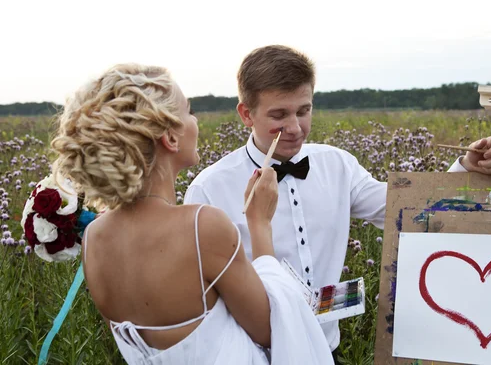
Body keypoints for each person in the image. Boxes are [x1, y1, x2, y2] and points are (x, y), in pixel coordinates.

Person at [184, 45, 491, 361]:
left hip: (326, 350)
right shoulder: (208, 189)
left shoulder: (338, 165)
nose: (296, 128)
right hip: (253, 356)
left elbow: (405, 211)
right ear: (246, 113)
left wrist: (467, 166)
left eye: (304, 110)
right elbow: (199, 300)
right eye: (279, 115)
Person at [50, 64, 334, 364]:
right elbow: (272, 330)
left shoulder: (94, 237)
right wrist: (260, 224)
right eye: (189, 111)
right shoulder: (201, 227)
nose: (195, 120)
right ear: (171, 139)